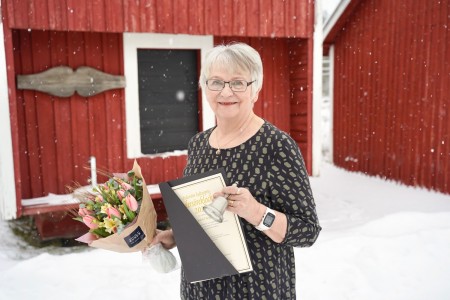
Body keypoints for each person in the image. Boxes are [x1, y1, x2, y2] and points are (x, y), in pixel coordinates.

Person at [152, 42, 321, 299]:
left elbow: (307, 231)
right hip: (200, 288)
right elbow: (204, 215)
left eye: (238, 82)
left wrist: (256, 212)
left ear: (255, 90)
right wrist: (175, 236)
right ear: (204, 87)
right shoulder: (199, 144)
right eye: (216, 82)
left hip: (256, 288)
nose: (226, 92)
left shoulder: (276, 145)